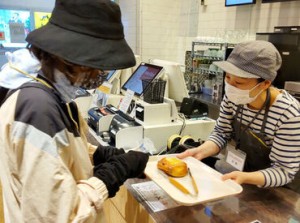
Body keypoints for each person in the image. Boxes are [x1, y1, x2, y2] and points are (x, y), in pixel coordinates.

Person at [0, 0, 149, 222]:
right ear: (67, 57)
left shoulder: (54, 96)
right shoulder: (37, 110)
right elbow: (58, 215)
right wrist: (111, 176)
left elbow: (61, 152)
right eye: (95, 63)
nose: (100, 72)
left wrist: (97, 154)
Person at [178, 40, 300, 192]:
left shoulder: (288, 115)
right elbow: (222, 132)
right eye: (228, 77)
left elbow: (283, 171)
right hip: (242, 177)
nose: (231, 86)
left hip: (277, 190)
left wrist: (245, 177)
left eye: (239, 82)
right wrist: (201, 151)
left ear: (265, 84)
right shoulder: (234, 97)